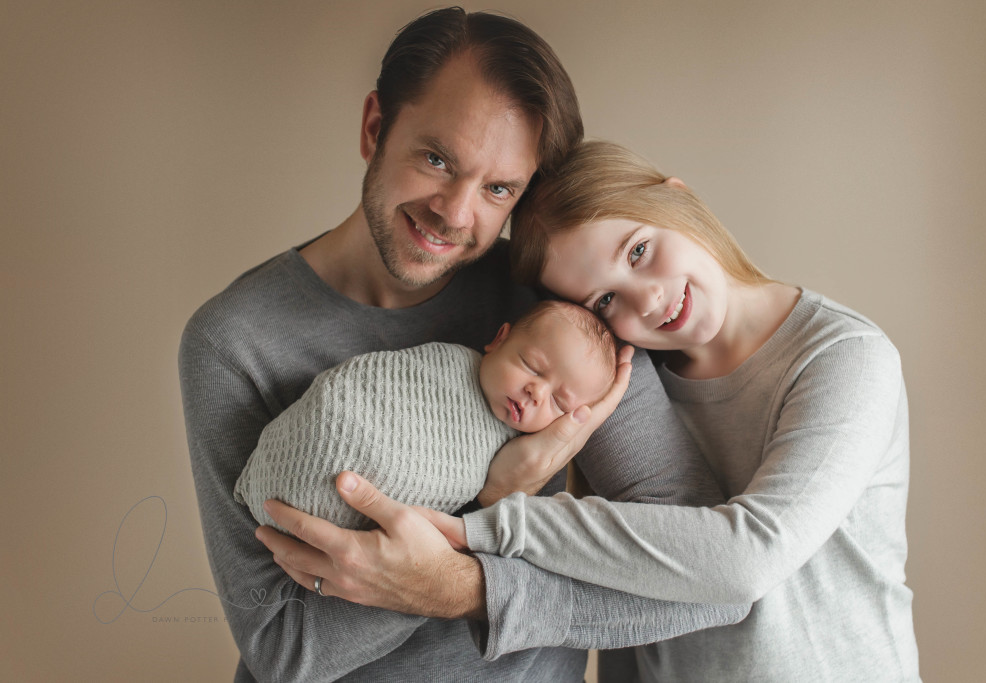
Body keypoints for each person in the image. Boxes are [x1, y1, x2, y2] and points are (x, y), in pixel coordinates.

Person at [179, 9, 747, 682]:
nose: (454, 211)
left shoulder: (555, 307)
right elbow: (283, 648)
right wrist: (490, 500)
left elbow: (705, 576)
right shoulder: (236, 340)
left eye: (498, 187)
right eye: (437, 158)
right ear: (375, 128)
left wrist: (463, 584)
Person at [420, 140, 920, 681]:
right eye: (604, 301)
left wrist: (499, 521)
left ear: (676, 202)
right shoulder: (623, 385)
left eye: (638, 252)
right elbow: (626, 580)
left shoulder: (844, 357)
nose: (647, 300)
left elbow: (748, 561)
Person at [235, 301, 617, 532]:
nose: (537, 393)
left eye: (559, 404)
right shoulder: (442, 362)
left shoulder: (518, 454)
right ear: (499, 339)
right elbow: (358, 384)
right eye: (532, 366)